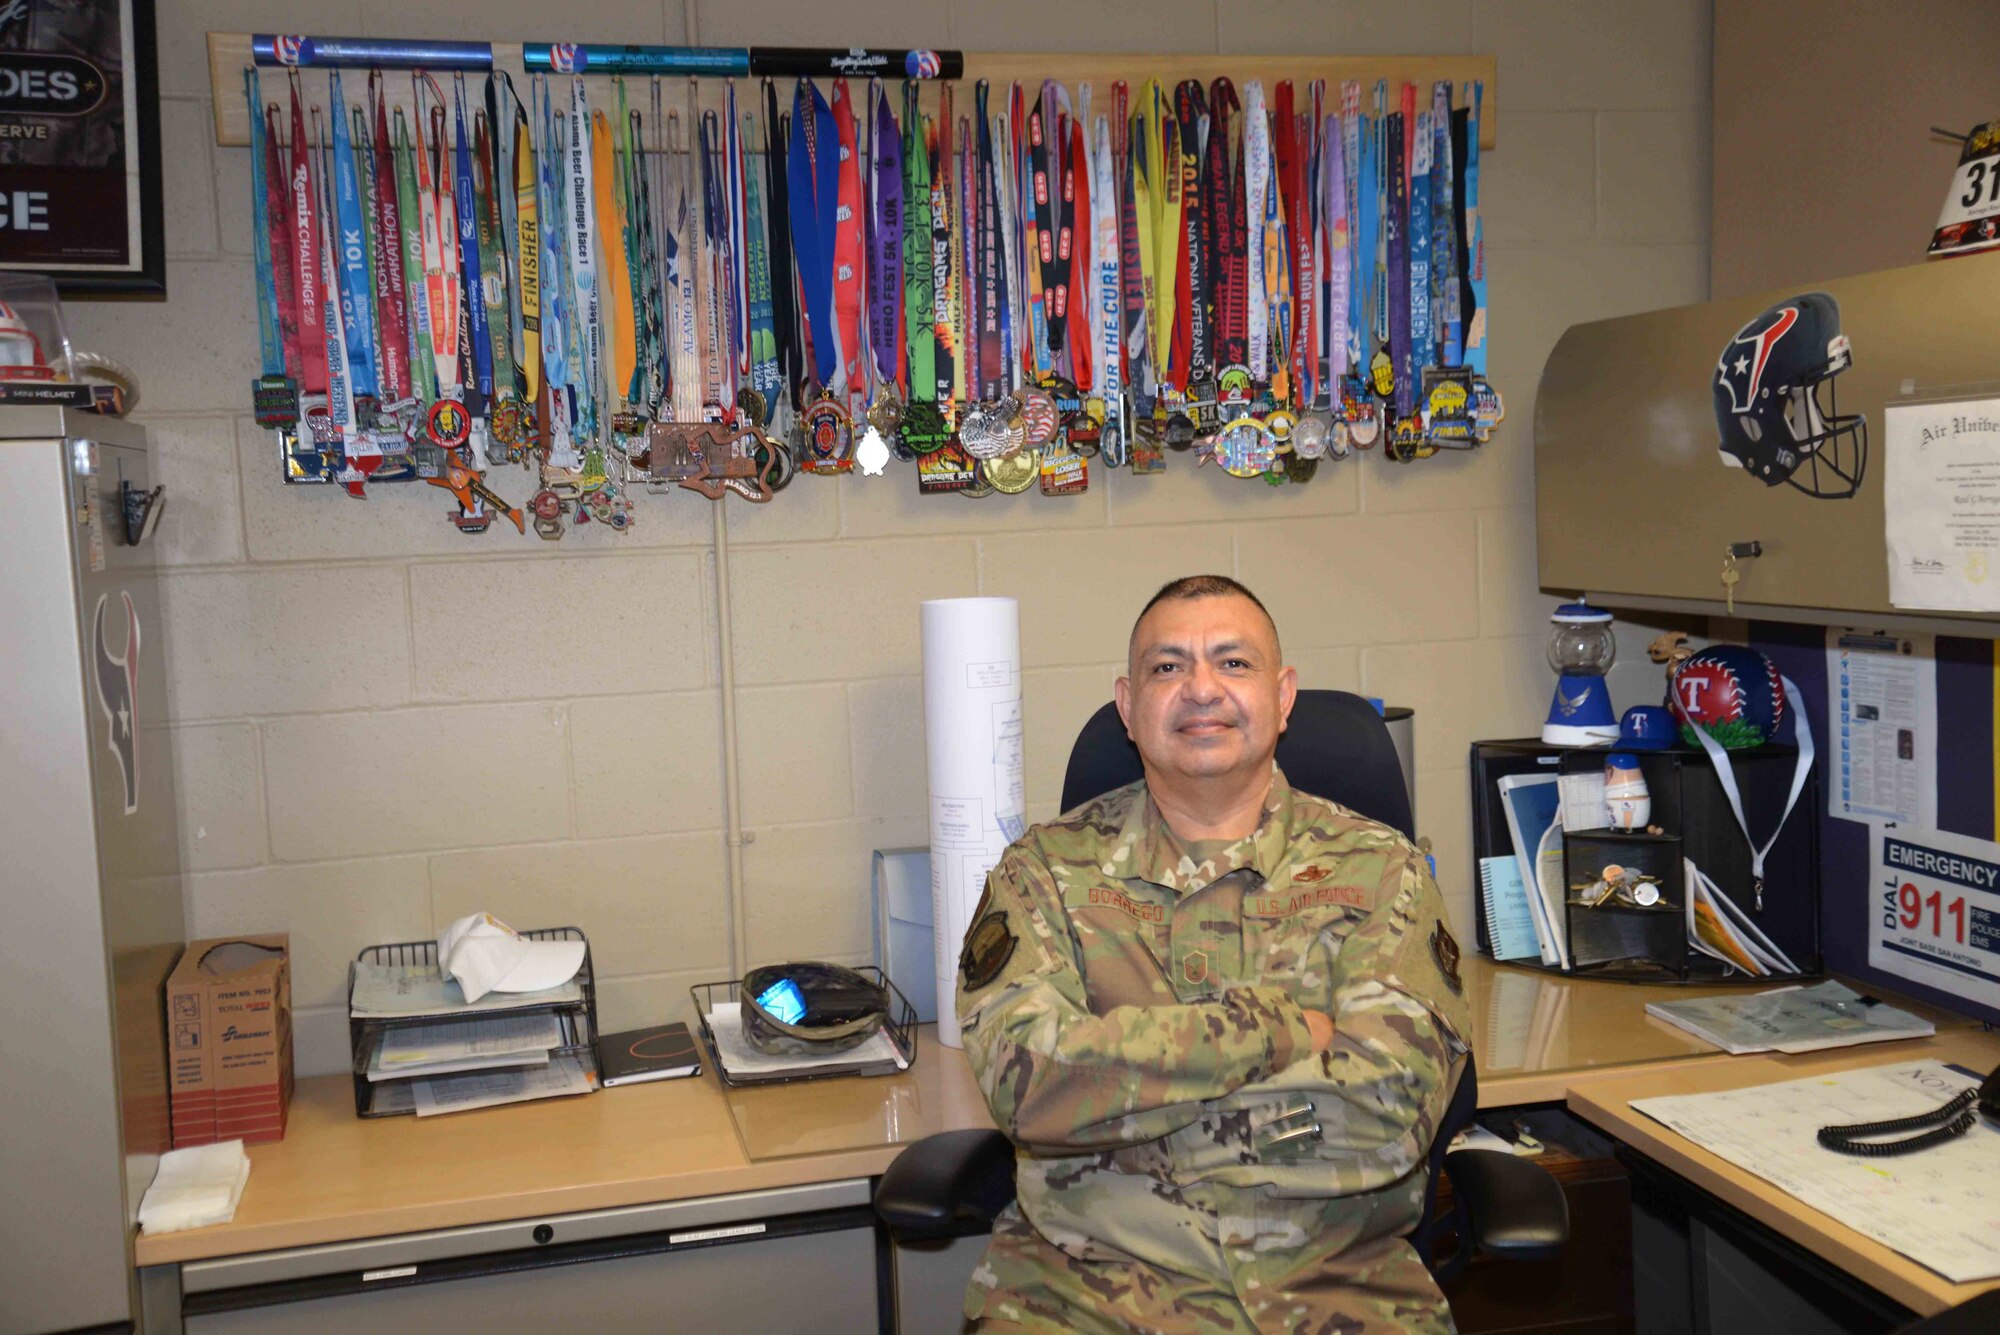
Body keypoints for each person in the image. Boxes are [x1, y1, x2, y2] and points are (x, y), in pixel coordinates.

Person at [956, 574, 1472, 1334]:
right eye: (1168, 667)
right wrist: (1274, 1031)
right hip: (1081, 1298)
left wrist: (1121, 1131)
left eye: (1233, 663)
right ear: (1128, 707)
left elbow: (1390, 1108)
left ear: (1283, 693)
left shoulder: (1381, 870)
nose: (1201, 689)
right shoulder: (1042, 875)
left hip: (1338, 1293)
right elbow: (1027, 1083)